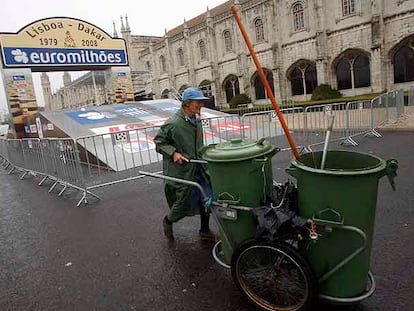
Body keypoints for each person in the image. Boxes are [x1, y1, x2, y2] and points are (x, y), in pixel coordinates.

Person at [154, 87, 215, 241]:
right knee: (182, 203)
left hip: (199, 168)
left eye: (201, 102)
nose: (200, 105)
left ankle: (204, 230)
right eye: (198, 102)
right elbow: (159, 142)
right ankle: (168, 221)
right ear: (187, 103)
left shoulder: (197, 120)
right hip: (182, 171)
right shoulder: (173, 123)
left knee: (207, 197)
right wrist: (174, 153)